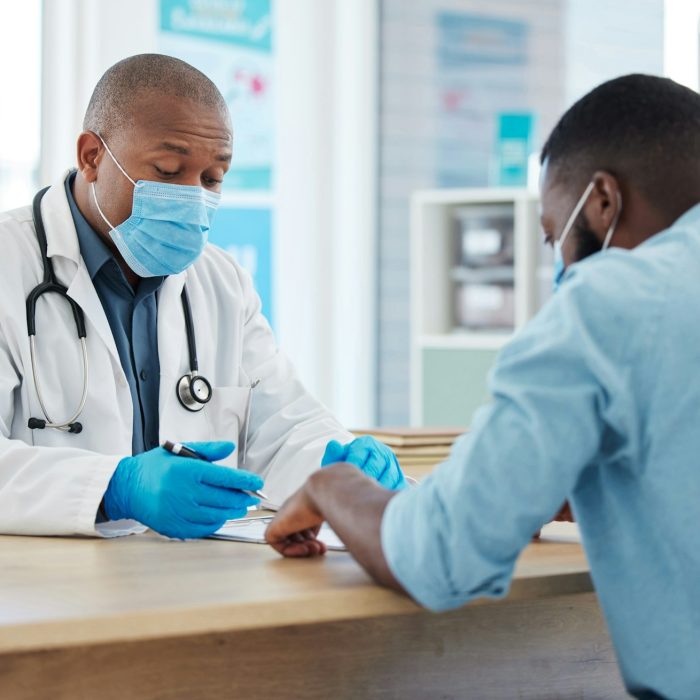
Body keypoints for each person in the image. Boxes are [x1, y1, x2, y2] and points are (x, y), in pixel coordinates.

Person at [266, 74, 700, 700]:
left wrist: (330, 485)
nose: (561, 266)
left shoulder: (609, 303)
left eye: (556, 238)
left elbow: (440, 556)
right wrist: (595, 495)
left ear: (603, 201)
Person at [0, 53, 404, 540]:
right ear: (91, 157)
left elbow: (281, 427)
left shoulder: (221, 280)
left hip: (189, 581)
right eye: (169, 171)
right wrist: (114, 488)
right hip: (44, 593)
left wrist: (335, 465)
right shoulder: (10, 262)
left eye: (212, 179)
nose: (194, 197)